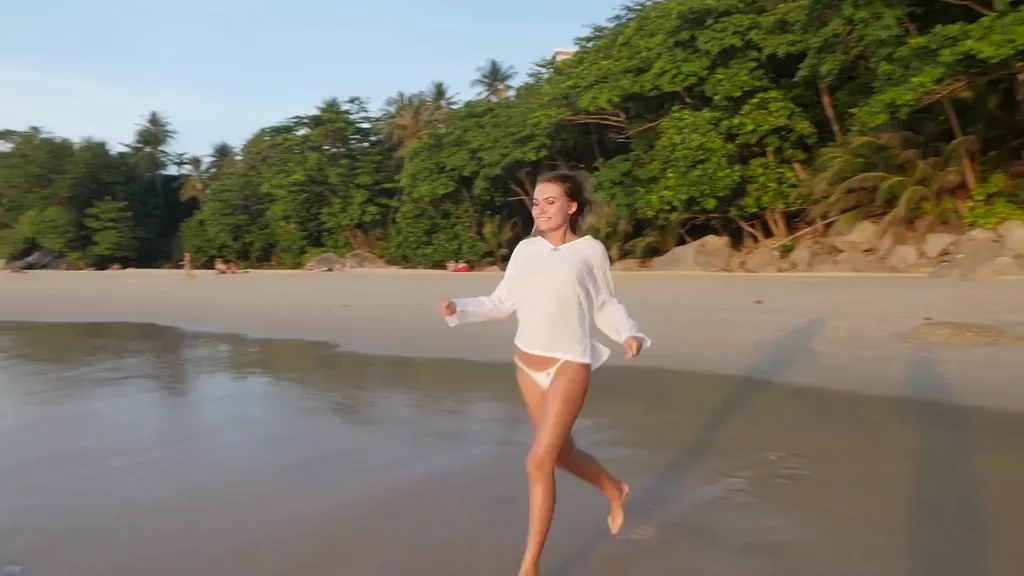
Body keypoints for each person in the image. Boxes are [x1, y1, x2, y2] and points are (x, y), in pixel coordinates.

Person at [439, 170, 650, 576]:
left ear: (571, 207)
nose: (540, 208)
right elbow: (501, 302)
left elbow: (604, 303)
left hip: (569, 362)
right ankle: (615, 489)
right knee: (561, 454)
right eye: (536, 202)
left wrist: (629, 333)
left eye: (550, 201)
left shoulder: (590, 251)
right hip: (526, 362)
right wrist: (459, 309)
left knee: (538, 462)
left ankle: (529, 566)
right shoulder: (525, 250)